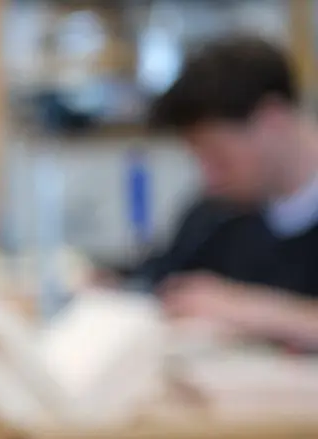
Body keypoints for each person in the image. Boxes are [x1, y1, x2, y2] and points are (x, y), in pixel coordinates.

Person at [131, 35, 318, 351]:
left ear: (272, 119)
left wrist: (258, 311)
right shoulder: (215, 214)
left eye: (220, 158)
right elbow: (155, 286)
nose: (210, 179)